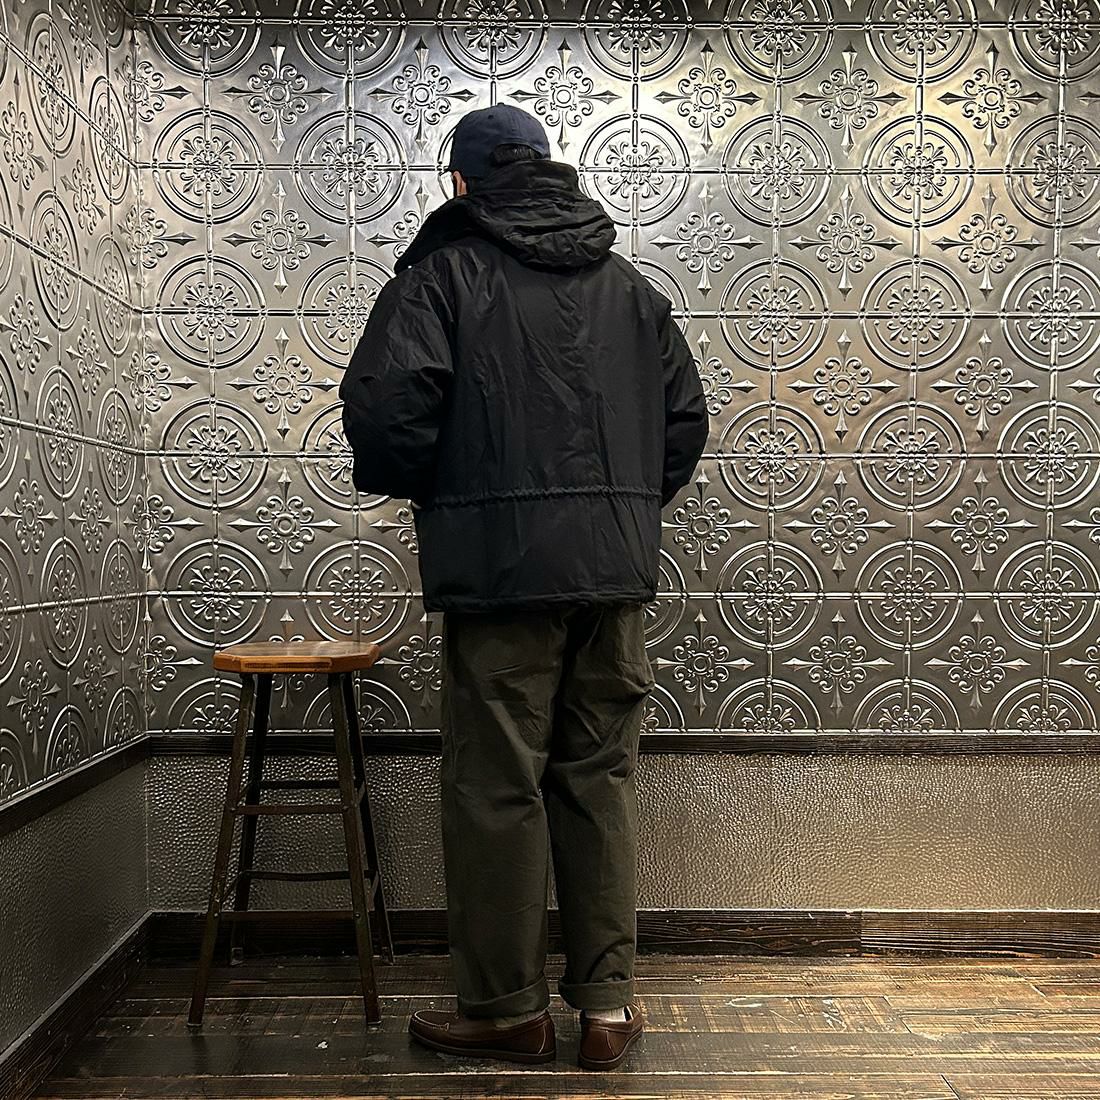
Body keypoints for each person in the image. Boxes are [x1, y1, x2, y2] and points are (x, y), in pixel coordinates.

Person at [339, 104, 708, 1071]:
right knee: (598, 780)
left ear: (460, 182)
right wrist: (621, 507)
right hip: (614, 576)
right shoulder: (631, 288)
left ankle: (506, 1009)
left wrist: (449, 494)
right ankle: (607, 1008)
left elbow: (384, 410)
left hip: (501, 576)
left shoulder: (441, 275)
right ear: (547, 170)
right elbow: (684, 422)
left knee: (497, 787)